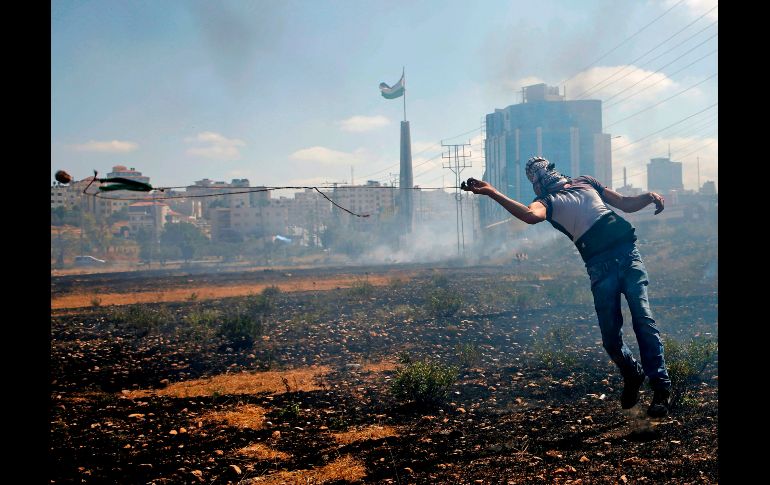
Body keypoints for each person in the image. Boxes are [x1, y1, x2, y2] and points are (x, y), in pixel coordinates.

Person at [462, 156, 672, 417]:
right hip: (599, 266)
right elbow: (529, 216)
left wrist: (648, 196)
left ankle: (661, 389)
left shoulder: (586, 181)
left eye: (543, 170)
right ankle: (633, 373)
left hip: (628, 254)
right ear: (536, 183)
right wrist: (492, 192)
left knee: (643, 318)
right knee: (611, 338)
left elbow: (624, 204)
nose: (544, 176)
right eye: (536, 175)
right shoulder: (546, 203)